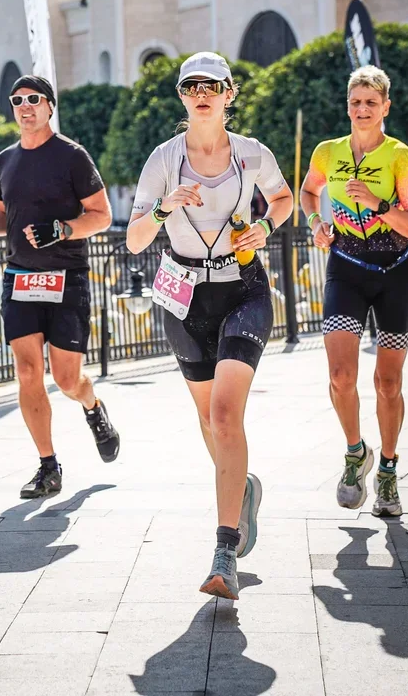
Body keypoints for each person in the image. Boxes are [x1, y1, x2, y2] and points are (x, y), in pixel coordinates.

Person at [126, 52, 293, 601]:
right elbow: (133, 238)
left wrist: (264, 225)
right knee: (209, 420)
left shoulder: (251, 154)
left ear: (229, 93)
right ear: (182, 96)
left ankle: (225, 550)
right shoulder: (163, 159)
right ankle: (241, 487)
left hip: (242, 289)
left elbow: (285, 197)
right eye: (191, 85)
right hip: (182, 298)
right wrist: (163, 208)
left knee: (225, 414)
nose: (202, 92)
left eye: (212, 85)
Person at [0, 73, 120, 499]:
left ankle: (92, 406)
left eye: (34, 99)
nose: (25, 106)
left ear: (50, 106)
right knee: (26, 371)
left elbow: (102, 215)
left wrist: (62, 229)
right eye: (17, 100)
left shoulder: (72, 156)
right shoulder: (5, 160)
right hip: (20, 276)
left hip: (65, 278)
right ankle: (47, 467)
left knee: (66, 379)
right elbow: (7, 215)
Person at [301, 66, 408, 519]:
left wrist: (380, 205)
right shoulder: (328, 151)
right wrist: (316, 222)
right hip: (346, 268)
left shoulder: (400, 156)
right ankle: (356, 453)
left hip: (395, 271)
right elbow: (309, 190)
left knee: (388, 382)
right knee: (340, 376)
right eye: (355, 102)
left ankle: (389, 470)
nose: (361, 110)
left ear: (385, 107)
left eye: (370, 103)